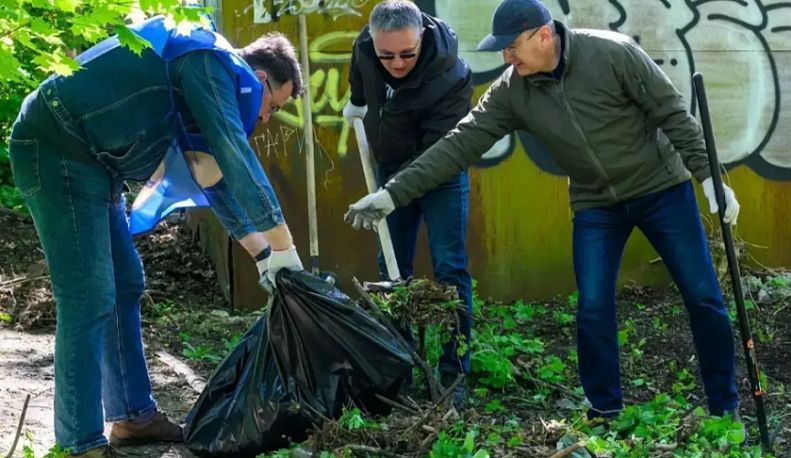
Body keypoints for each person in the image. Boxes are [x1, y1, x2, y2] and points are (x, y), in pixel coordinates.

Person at [343, 0, 744, 425]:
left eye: (512, 47)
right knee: (592, 306)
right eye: (502, 50)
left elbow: (672, 111)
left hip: (662, 188)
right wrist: (392, 194)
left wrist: (709, 178)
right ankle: (605, 409)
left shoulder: (612, 53)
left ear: (544, 35)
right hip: (596, 203)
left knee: (702, 295)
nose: (507, 58)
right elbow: (459, 143)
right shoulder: (513, 90)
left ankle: (725, 406)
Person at [7, 14, 305, 458]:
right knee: (88, 297)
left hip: (93, 163)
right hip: (56, 149)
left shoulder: (211, 75)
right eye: (273, 106)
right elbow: (234, 155)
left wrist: (266, 258)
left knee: (125, 284)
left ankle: (131, 416)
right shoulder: (210, 62)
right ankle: (78, 443)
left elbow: (216, 182)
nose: (264, 119)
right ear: (260, 78)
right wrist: (286, 249)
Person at [342, 0, 474, 409]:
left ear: (421, 38)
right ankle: (396, 367)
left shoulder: (452, 75)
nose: (396, 63)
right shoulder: (365, 47)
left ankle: (454, 374)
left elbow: (440, 152)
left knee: (450, 267)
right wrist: (357, 101)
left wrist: (394, 192)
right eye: (387, 55)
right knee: (391, 271)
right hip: (391, 165)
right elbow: (361, 81)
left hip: (441, 172)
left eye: (406, 53)